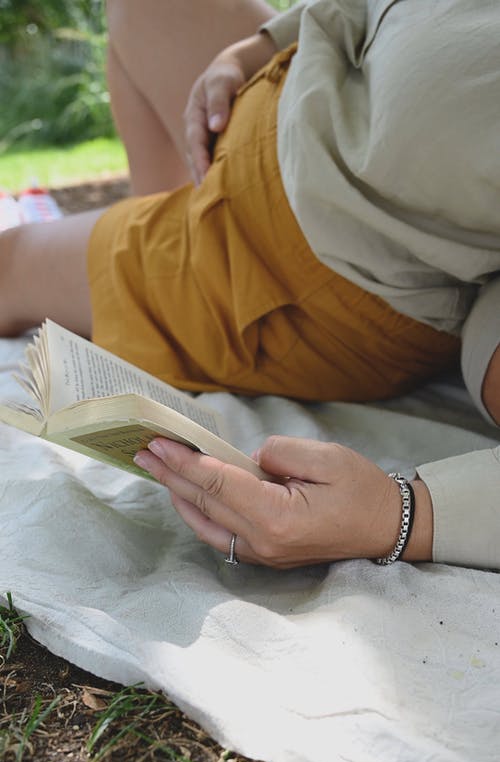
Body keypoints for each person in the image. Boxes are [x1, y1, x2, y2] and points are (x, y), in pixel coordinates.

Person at [1, 0, 499, 570]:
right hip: (294, 80)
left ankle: (143, 270)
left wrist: (401, 514)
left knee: (11, 265)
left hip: (293, 256)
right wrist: (257, 47)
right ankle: (140, 253)